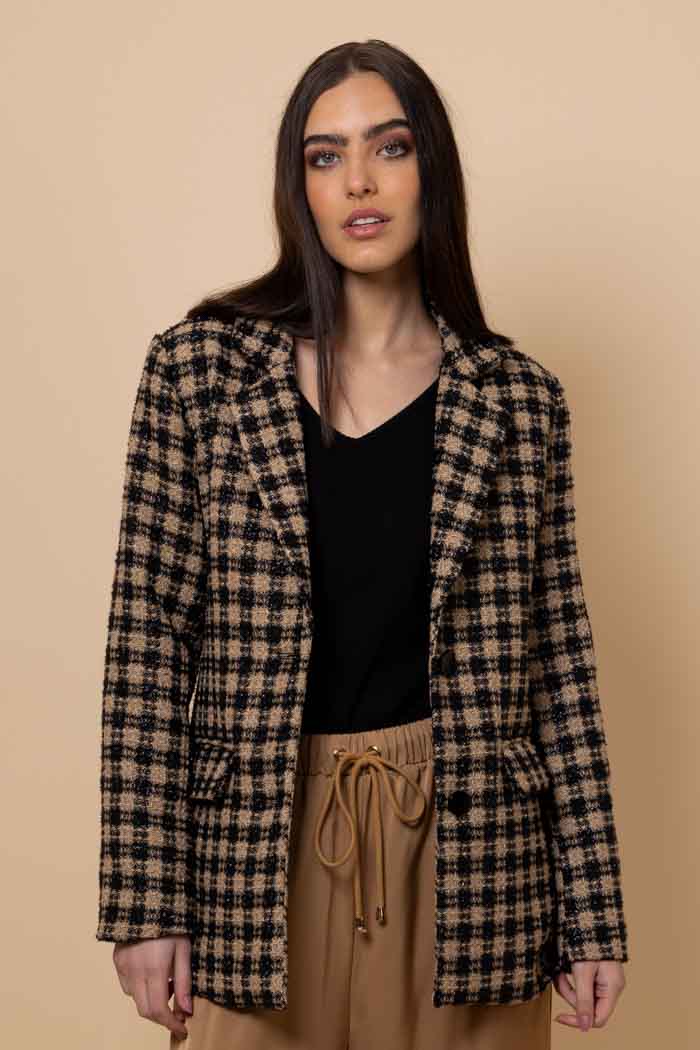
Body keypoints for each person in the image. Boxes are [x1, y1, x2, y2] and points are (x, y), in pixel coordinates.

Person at [96, 39, 629, 1050]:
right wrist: (146, 902)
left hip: (475, 856)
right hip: (259, 846)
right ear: (297, 185)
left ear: (432, 167)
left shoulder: (518, 400)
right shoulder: (199, 373)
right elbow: (148, 643)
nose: (359, 182)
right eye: (325, 155)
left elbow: (558, 660)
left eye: (389, 147)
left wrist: (593, 910)